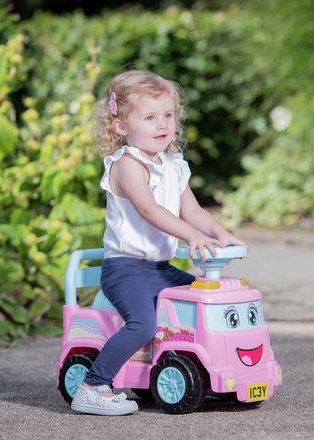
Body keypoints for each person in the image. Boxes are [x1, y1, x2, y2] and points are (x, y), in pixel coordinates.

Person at [70, 69, 246, 416]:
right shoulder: (126, 165)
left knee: (203, 298)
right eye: (149, 117)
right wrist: (190, 235)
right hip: (126, 271)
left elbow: (193, 210)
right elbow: (149, 210)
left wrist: (218, 233)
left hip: (161, 269)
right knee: (143, 324)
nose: (161, 124)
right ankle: (91, 386)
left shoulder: (173, 165)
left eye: (167, 115)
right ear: (121, 126)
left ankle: (190, 371)